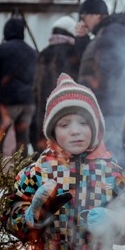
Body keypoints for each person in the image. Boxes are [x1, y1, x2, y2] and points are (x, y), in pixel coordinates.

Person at [5, 74, 125, 250]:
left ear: (96, 128)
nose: (75, 130)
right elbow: (11, 219)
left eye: (83, 122)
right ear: (53, 132)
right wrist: (32, 215)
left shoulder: (114, 175)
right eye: (64, 124)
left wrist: (115, 223)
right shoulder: (38, 172)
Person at [77, 0, 125, 158]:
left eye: (84, 17)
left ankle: (114, 183)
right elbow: (92, 64)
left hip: (108, 106)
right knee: (107, 150)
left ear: (96, 14)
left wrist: (96, 100)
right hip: (107, 105)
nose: (83, 23)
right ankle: (110, 182)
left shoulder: (112, 32)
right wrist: (82, 39)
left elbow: (108, 72)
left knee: (110, 151)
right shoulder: (106, 33)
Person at [0, 17, 37, 155]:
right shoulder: (32, 51)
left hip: (8, 102)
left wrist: (2, 80)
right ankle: (24, 173)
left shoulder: (2, 49)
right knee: (23, 139)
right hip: (28, 101)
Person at [33, 15, 81, 152]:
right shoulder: (75, 53)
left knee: (46, 154)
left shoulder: (44, 54)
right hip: (69, 111)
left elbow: (35, 87)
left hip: (44, 112)